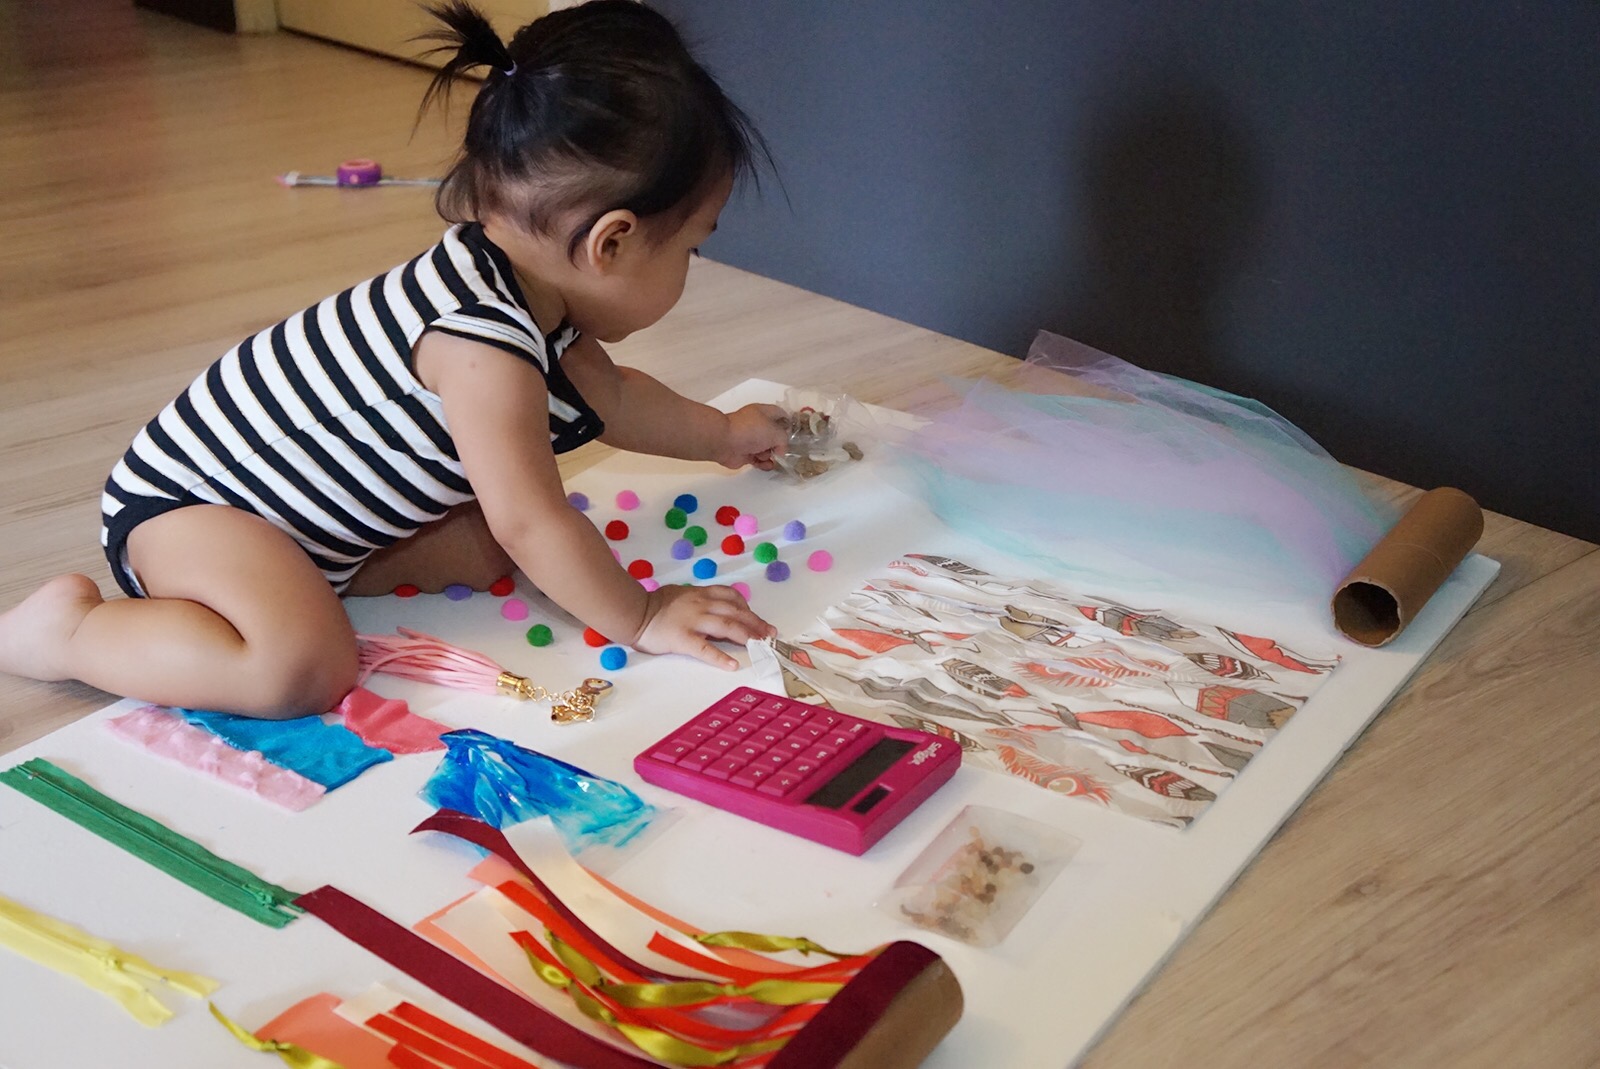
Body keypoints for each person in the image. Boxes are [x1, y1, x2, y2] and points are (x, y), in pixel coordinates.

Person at [0, 0, 786, 719]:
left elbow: (614, 397)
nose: (690, 264)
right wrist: (641, 616)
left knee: (480, 551)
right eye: (690, 247)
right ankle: (68, 633)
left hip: (292, 526)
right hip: (192, 510)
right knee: (305, 668)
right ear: (610, 242)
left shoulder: (523, 290)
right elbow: (531, 521)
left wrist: (723, 434)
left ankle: (318, 580)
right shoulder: (483, 347)